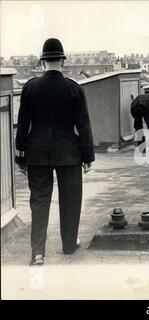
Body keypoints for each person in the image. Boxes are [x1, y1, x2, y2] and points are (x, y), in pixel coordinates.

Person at [15, 38, 95, 266]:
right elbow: (84, 125)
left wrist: (20, 156)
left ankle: (37, 253)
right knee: (70, 199)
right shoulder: (74, 88)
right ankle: (69, 245)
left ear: (42, 62)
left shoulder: (30, 87)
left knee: (39, 202)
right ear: (62, 61)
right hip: (69, 152)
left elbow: (22, 126)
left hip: (37, 151)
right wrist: (88, 156)